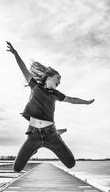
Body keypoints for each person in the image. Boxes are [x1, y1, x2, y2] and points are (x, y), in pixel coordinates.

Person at [6, 41, 95, 172]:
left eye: (60, 81)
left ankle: (58, 134)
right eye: (57, 79)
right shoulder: (34, 86)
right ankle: (34, 149)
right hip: (33, 135)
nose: (59, 82)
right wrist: (15, 53)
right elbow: (23, 69)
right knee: (17, 168)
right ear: (48, 78)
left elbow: (73, 100)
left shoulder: (56, 94)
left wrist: (86, 102)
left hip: (51, 135)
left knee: (71, 164)